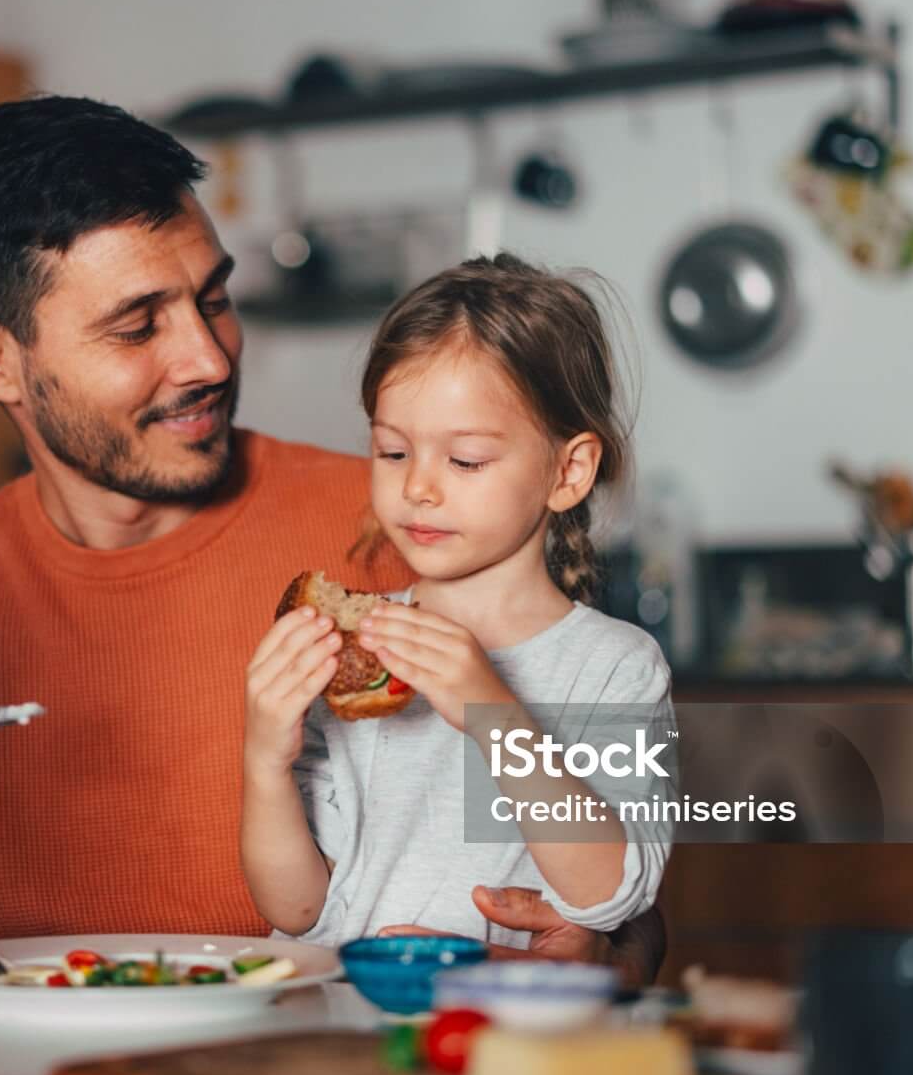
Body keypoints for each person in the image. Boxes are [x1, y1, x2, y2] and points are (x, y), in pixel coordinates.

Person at [0, 97, 665, 979]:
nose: (206, 355)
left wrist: (606, 943)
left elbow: (624, 878)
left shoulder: (406, 533)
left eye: (213, 299)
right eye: (136, 325)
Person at [242, 254, 674, 947]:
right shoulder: (356, 659)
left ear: (569, 472)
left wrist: (495, 714)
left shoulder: (615, 667)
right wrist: (263, 760)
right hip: (341, 1031)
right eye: (392, 453)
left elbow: (607, 895)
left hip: (507, 1040)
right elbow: (296, 910)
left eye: (465, 460)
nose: (418, 488)